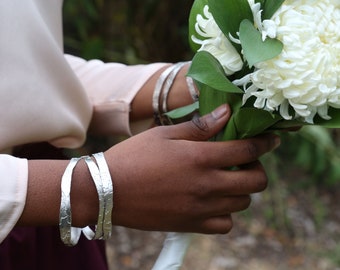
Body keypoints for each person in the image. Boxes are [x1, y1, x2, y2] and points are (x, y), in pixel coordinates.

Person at [0, 0, 280, 269]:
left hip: (51, 222)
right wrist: (95, 188)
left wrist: (198, 82)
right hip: (48, 200)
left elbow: (24, 63)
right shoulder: (83, 193)